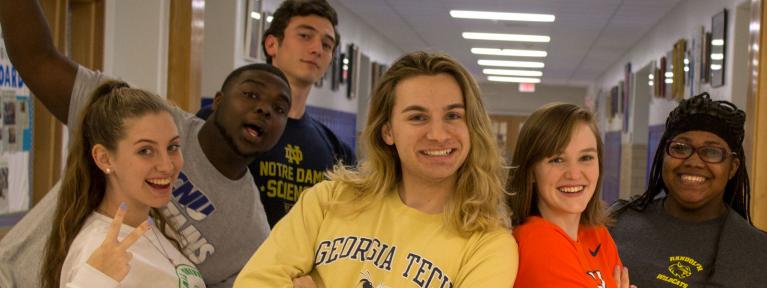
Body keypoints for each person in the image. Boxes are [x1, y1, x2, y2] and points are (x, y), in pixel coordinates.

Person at [0, 0, 291, 287]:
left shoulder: (250, 232)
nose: (265, 109)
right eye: (251, 95)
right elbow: (36, 57)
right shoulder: (144, 117)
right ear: (218, 101)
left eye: (280, 109)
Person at [232, 51, 518, 287]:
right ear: (388, 131)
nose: (438, 134)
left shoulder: (489, 245)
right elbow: (254, 283)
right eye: (418, 117)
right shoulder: (329, 200)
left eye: (453, 115)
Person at [197, 0, 356, 227]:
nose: (316, 49)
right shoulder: (219, 120)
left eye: (327, 45)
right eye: (304, 36)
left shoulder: (337, 151)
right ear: (272, 44)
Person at [42, 81, 205, 287]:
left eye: (172, 147)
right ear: (104, 158)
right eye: (145, 150)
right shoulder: (97, 247)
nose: (166, 165)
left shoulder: (150, 226)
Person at [610, 92, 767, 287]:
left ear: (733, 167)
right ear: (663, 156)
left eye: (711, 152)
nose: (693, 162)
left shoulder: (757, 251)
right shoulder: (617, 221)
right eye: (681, 148)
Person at [507, 103, 632, 288]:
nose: (574, 174)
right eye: (557, 160)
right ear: (531, 171)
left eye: (586, 158)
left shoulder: (597, 235)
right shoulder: (539, 244)